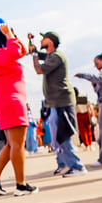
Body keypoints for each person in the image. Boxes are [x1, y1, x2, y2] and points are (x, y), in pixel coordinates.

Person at [0, 18, 38, 196]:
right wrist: (9, 34)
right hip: (12, 101)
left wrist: (11, 34)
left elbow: (22, 51)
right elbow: (16, 50)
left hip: (8, 100)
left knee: (11, 144)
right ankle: (21, 185)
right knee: (18, 144)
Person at [29, 31, 85, 176]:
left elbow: (39, 69)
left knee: (63, 135)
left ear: (51, 41)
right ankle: (63, 164)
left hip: (62, 102)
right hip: (55, 103)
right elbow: (35, 53)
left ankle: (77, 167)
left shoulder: (56, 56)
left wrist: (34, 55)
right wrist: (31, 45)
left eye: (44, 39)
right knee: (55, 138)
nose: (41, 41)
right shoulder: (51, 56)